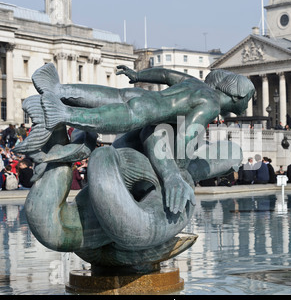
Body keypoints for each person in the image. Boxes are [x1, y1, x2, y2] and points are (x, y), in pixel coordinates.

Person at [22, 63, 255, 214]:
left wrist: (138, 75)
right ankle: (62, 114)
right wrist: (177, 170)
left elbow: (164, 74)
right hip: (148, 113)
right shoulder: (212, 104)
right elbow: (188, 133)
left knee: (112, 96)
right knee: (103, 118)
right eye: (249, 98)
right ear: (238, 95)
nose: (247, 104)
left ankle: (60, 89)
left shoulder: (195, 83)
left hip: (141, 95)